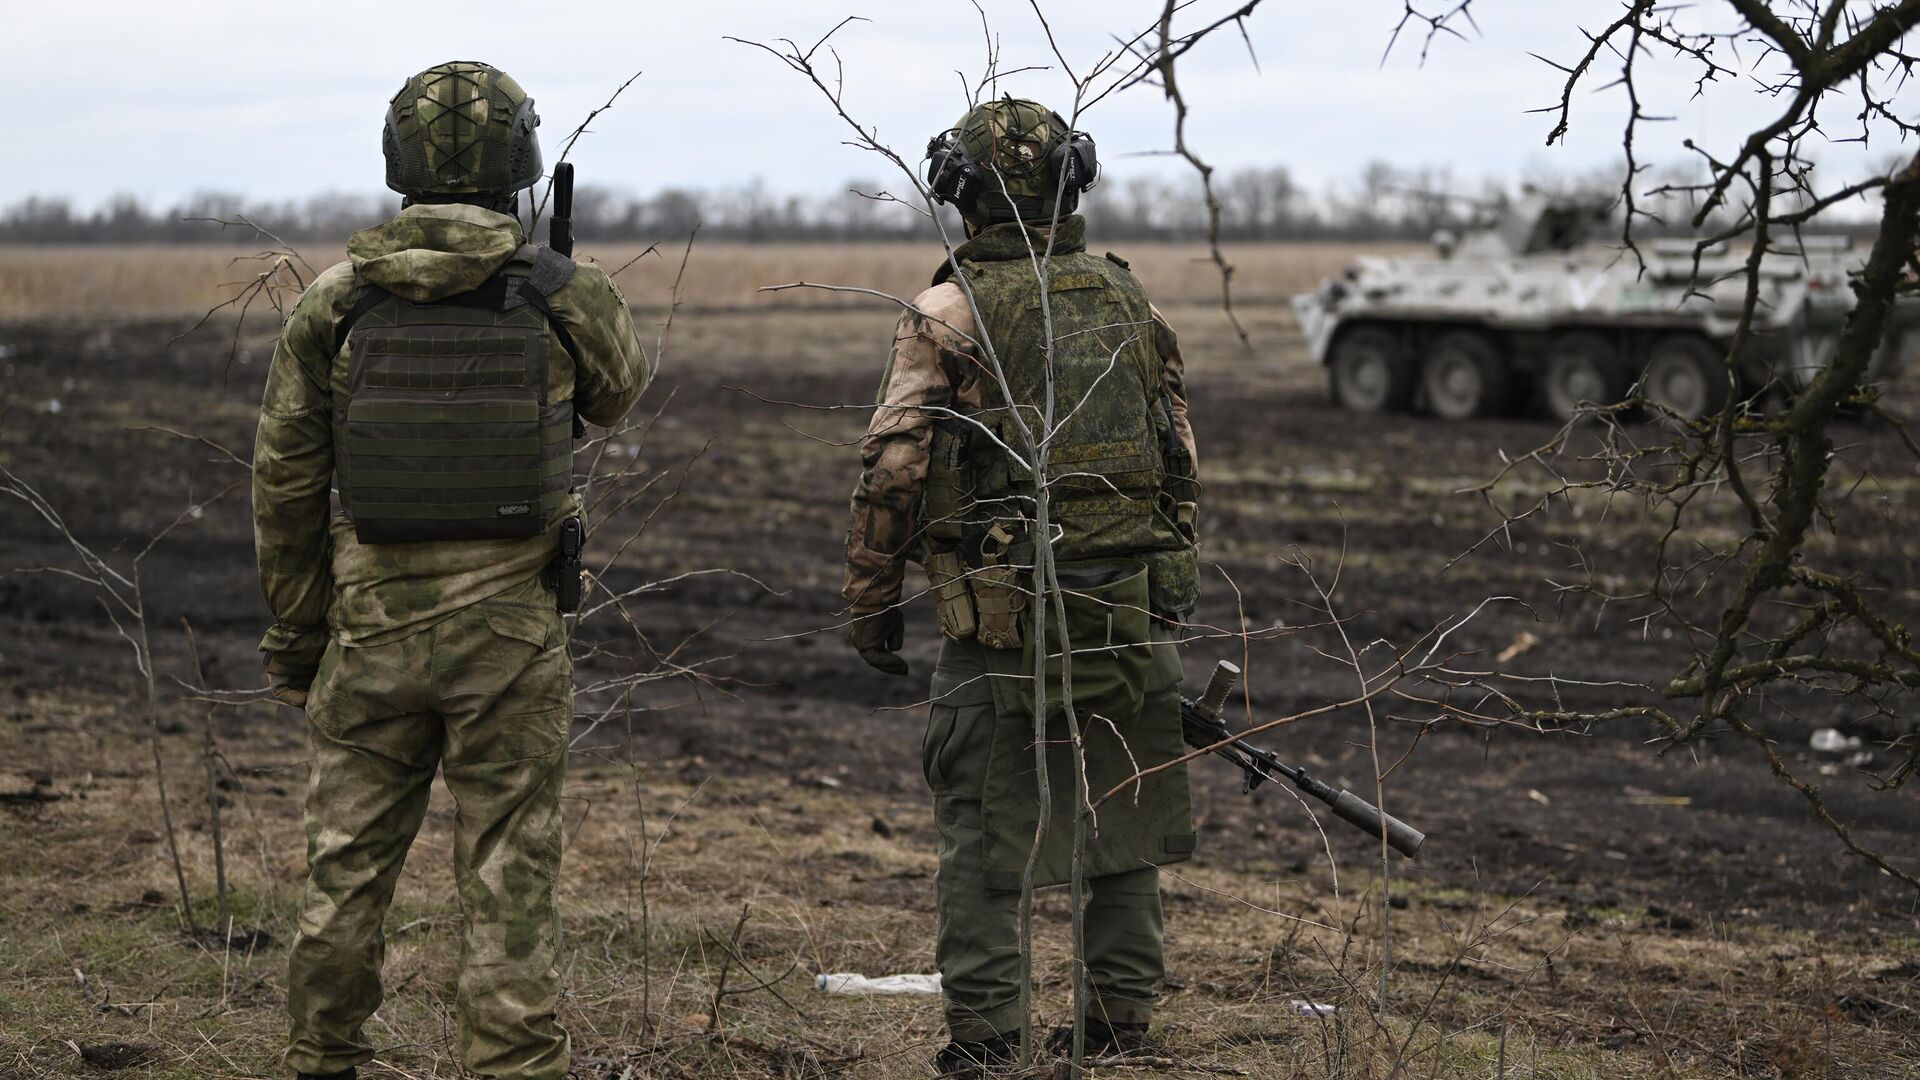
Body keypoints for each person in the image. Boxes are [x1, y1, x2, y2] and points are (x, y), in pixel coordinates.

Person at [253, 60, 651, 1080]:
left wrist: (298, 634)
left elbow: (285, 485)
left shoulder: (334, 305)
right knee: (511, 870)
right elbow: (620, 397)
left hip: (370, 632)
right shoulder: (563, 295)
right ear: (518, 160)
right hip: (512, 639)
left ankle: (320, 1056)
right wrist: (557, 280)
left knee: (343, 870)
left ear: (399, 160)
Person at [841, 97, 1202, 1075]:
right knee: (1122, 825)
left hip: (1000, 627)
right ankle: (1121, 1034)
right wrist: (1168, 596)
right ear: (1072, 181)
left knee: (982, 836)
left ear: (960, 193)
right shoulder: (1136, 302)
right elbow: (1177, 464)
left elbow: (894, 471)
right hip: (1125, 615)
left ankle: (989, 1046)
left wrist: (872, 606)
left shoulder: (950, 314)